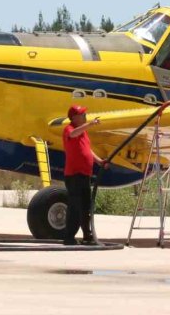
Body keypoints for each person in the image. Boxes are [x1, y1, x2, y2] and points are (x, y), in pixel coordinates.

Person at [62, 104, 107, 246]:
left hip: (85, 174)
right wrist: (90, 124)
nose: (85, 116)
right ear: (74, 117)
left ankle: (87, 235)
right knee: (75, 207)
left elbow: (87, 149)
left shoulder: (83, 133)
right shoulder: (69, 129)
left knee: (85, 207)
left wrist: (99, 161)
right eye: (82, 114)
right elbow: (72, 134)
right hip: (74, 174)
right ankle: (69, 236)